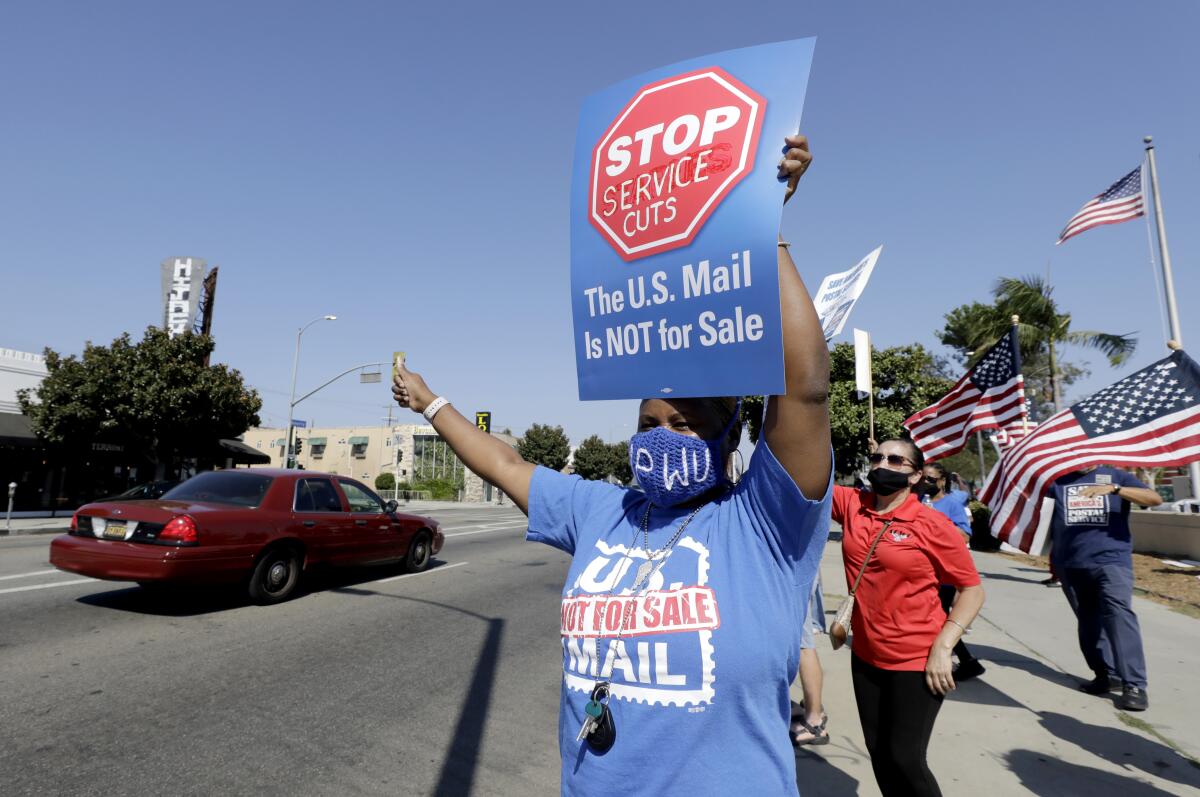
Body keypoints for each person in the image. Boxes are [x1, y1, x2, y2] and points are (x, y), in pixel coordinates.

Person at [393, 136, 833, 796]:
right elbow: (505, 462)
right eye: (649, 425)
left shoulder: (766, 525)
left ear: (730, 434)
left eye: (685, 426)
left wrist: (764, 231)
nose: (662, 439)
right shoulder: (603, 509)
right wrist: (432, 403)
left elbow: (803, 388)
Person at [831, 439, 984, 797]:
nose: (884, 464)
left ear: (915, 475)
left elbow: (971, 590)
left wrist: (944, 646)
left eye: (896, 460)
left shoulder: (932, 524)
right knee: (879, 753)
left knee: (905, 758)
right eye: (878, 457)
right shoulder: (854, 504)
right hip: (866, 654)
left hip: (916, 659)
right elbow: (809, 474)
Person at [1049, 465, 1161, 711]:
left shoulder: (1116, 475)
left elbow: (1154, 498)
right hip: (1071, 563)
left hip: (1111, 561)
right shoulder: (1058, 480)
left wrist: (1115, 489)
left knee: (1119, 616)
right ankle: (1106, 674)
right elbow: (1040, 516)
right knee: (1089, 622)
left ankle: (1134, 684)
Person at [920, 463, 985, 682]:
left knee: (939, 619)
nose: (926, 483)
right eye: (923, 478)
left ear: (941, 480)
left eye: (931, 479)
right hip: (921, 572)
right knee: (934, 618)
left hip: (943, 576)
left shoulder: (952, 504)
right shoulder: (918, 500)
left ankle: (967, 662)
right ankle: (967, 662)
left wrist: (936, 520)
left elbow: (965, 535)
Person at [791, 573, 829, 745]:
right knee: (801, 643)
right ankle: (812, 711)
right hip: (794, 576)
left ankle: (814, 721)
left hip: (793, 578)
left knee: (803, 644)